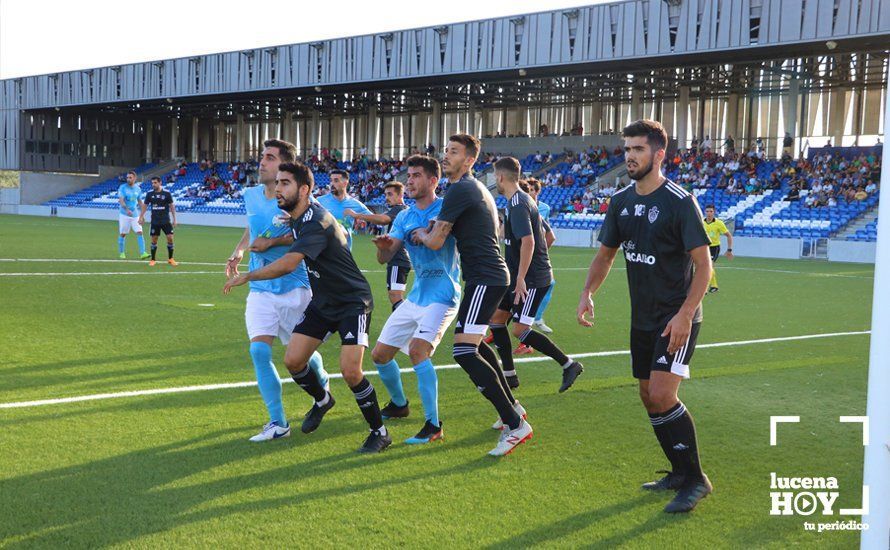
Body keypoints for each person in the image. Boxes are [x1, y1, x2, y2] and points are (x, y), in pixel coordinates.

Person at [577, 120, 713, 513]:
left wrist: (686, 315)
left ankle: (696, 479)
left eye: (638, 149)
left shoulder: (679, 201)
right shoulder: (621, 201)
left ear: (658, 154)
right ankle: (677, 470)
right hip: (644, 318)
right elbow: (605, 255)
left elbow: (703, 266)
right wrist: (588, 292)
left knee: (661, 394)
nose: (630, 156)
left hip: (678, 317)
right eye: (627, 149)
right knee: (646, 396)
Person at [225, 161, 389, 453]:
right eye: (277, 183)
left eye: (285, 183)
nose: (278, 189)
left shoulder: (316, 221)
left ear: (304, 189)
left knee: (351, 372)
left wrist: (249, 275)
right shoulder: (297, 217)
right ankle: (323, 399)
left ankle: (380, 431)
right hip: (323, 302)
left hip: (352, 302)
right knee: (293, 360)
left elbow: (289, 264)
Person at [413, 133, 533, 457]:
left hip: (485, 278)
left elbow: (437, 240)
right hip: (489, 277)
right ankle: (514, 408)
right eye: (445, 150)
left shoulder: (461, 188)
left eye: (453, 152)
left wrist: (421, 234)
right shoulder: (473, 188)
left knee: (464, 352)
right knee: (475, 346)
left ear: (468, 161)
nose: (446, 156)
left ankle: (515, 424)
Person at [224, 139, 329, 443]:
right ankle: (277, 422)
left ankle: (321, 386)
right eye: (261, 157)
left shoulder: (300, 199)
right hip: (260, 287)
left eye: (269, 158)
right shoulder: (251, 195)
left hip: (295, 287)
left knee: (302, 357)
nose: (261, 162)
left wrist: (273, 243)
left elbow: (315, 231)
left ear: (284, 166)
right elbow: (252, 227)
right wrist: (239, 251)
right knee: (258, 350)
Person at [369, 155, 461, 444]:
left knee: (418, 351)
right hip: (417, 295)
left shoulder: (446, 208)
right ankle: (399, 405)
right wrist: (383, 248)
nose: (409, 180)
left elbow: (439, 240)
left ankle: (434, 425)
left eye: (417, 175)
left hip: (443, 296)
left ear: (433, 180)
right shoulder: (404, 216)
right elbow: (387, 255)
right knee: (380, 355)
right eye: (408, 175)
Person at [487, 158, 584, 392]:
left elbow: (529, 242)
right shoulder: (518, 201)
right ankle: (509, 375)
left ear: (500, 177)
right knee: (497, 320)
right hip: (518, 277)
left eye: (494, 177)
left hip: (530, 279)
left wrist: (520, 279)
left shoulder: (519, 203)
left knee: (520, 330)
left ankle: (569, 364)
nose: (494, 181)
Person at [345, 182, 412, 310]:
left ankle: (406, 320)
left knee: (395, 295)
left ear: (400, 195)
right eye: (386, 194)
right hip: (400, 258)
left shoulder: (399, 209)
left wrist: (357, 215)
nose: (387, 197)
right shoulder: (402, 209)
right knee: (395, 295)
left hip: (398, 258)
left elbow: (383, 219)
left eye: (390, 194)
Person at [317, 169, 372, 249]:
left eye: (336, 181)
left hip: (344, 253)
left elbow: (375, 218)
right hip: (323, 253)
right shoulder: (320, 201)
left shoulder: (355, 205)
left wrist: (357, 216)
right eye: (331, 180)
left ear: (345, 183)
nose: (332, 184)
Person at [140, 177, 178, 266]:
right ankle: (153, 260)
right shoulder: (149, 194)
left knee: (170, 238)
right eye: (152, 183)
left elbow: (172, 206)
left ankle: (171, 259)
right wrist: (141, 216)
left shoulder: (167, 193)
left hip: (166, 221)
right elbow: (145, 206)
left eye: (155, 183)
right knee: (154, 240)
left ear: (160, 183)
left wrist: (175, 219)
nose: (153, 184)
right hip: (155, 221)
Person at [117, 171, 149, 260]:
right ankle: (121, 252)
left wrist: (142, 215)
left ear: (134, 178)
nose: (128, 179)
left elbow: (140, 202)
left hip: (135, 214)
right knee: (123, 234)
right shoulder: (122, 187)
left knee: (139, 232)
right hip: (124, 214)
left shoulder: (138, 189)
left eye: (130, 177)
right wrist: (127, 210)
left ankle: (143, 253)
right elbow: (121, 200)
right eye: (127, 178)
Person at [703, 205, 734, 294]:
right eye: (707, 211)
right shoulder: (701, 222)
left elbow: (729, 236)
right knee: (705, 267)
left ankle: (704, 289)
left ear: (714, 212)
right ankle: (714, 286)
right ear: (705, 212)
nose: (709, 213)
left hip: (714, 248)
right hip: (704, 247)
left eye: (711, 211)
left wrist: (729, 250)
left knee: (709, 266)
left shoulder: (719, 223)